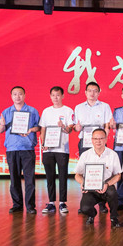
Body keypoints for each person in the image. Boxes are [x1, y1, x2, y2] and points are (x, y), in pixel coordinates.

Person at [0, 86, 40, 214]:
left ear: (24, 95)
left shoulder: (32, 111)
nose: (18, 96)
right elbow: (0, 130)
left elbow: (38, 127)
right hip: (12, 149)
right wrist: (2, 124)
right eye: (15, 94)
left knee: (29, 179)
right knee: (14, 178)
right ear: (11, 96)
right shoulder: (6, 112)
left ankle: (30, 206)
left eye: (20, 94)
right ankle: (17, 205)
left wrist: (31, 130)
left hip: (27, 148)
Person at [74, 81, 113, 214]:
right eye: (89, 90)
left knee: (101, 170)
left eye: (95, 91)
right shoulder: (79, 107)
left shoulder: (105, 106)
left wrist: (105, 136)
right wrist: (77, 128)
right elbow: (76, 127)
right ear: (85, 92)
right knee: (85, 171)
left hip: (100, 142)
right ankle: (85, 202)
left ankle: (102, 203)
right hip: (84, 142)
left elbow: (107, 125)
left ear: (99, 93)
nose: (92, 93)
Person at [74, 128, 122, 227]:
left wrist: (107, 184)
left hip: (107, 185)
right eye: (95, 139)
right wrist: (83, 182)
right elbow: (77, 175)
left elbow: (118, 175)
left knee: (112, 193)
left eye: (101, 138)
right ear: (92, 140)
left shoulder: (113, 155)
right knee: (84, 208)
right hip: (90, 188)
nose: (98, 141)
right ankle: (91, 215)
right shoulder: (85, 155)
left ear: (106, 139)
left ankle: (114, 217)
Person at [39, 86, 75, 214]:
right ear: (50, 96)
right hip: (48, 150)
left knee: (63, 176)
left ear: (63, 96)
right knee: (50, 176)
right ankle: (51, 202)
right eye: (53, 95)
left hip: (62, 149)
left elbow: (70, 129)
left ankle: (62, 202)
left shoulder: (68, 110)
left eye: (58, 95)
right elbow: (43, 129)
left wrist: (63, 127)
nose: (55, 97)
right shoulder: (46, 111)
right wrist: (43, 144)